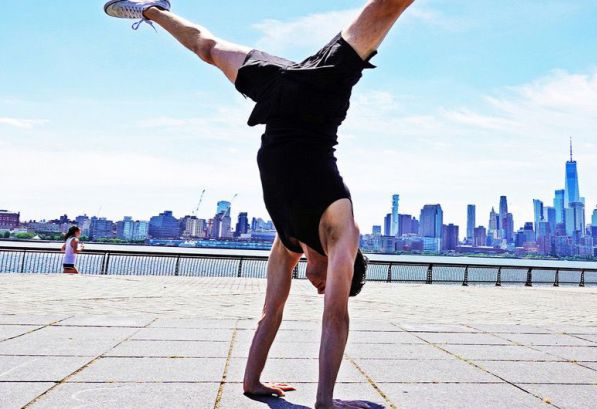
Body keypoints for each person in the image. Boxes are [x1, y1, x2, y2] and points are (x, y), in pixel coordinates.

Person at [104, 1, 413, 407]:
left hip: (279, 94)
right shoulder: (342, 234)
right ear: (348, 267)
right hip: (321, 95)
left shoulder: (288, 243)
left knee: (208, 50)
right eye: (327, 285)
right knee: (389, 8)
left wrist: (253, 384)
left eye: (321, 289)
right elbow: (336, 319)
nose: (319, 287)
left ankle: (152, 10)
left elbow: (271, 311)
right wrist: (325, 403)